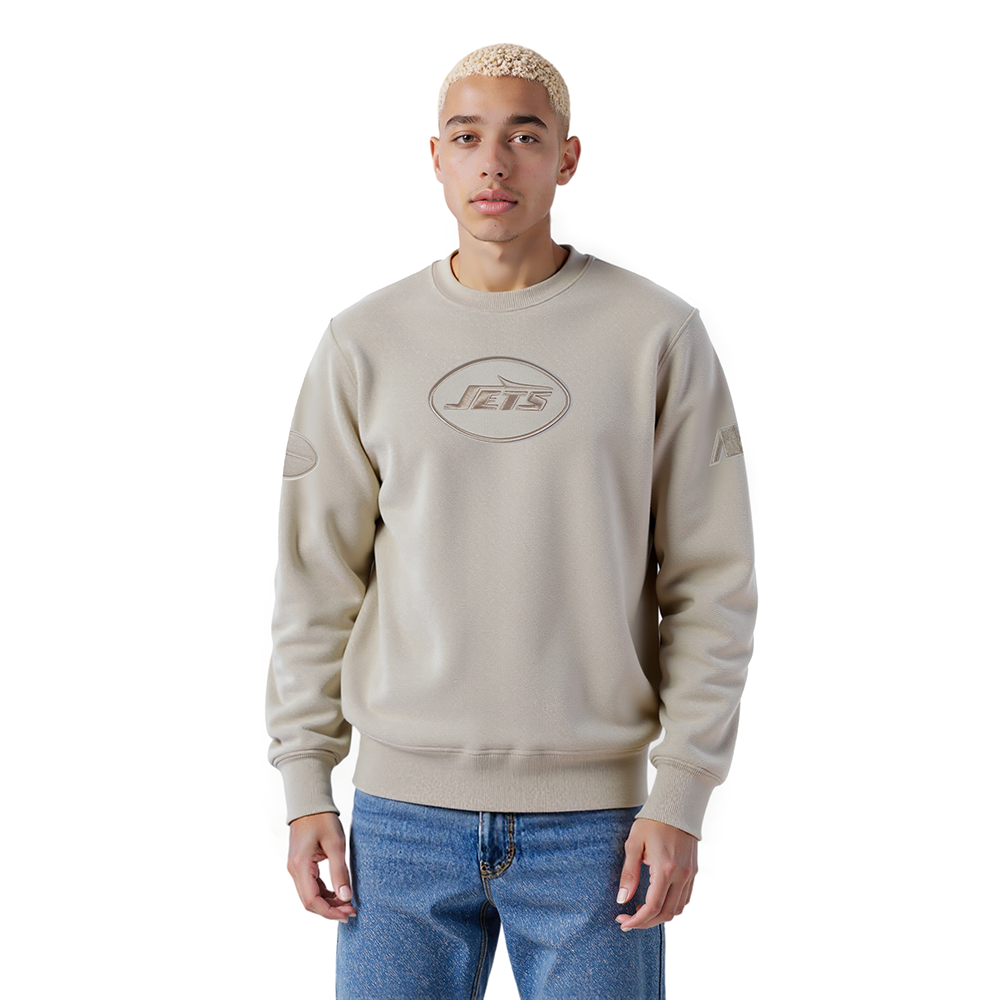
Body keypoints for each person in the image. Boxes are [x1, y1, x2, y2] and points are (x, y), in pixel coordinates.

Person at [265, 42, 757, 1000]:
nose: (494, 162)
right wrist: (303, 783)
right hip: (398, 823)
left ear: (567, 157)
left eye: (525, 137)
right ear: (435, 157)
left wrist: (682, 793)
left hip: (600, 831)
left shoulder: (656, 335)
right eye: (467, 137)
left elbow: (712, 581)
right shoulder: (363, 343)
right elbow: (315, 581)